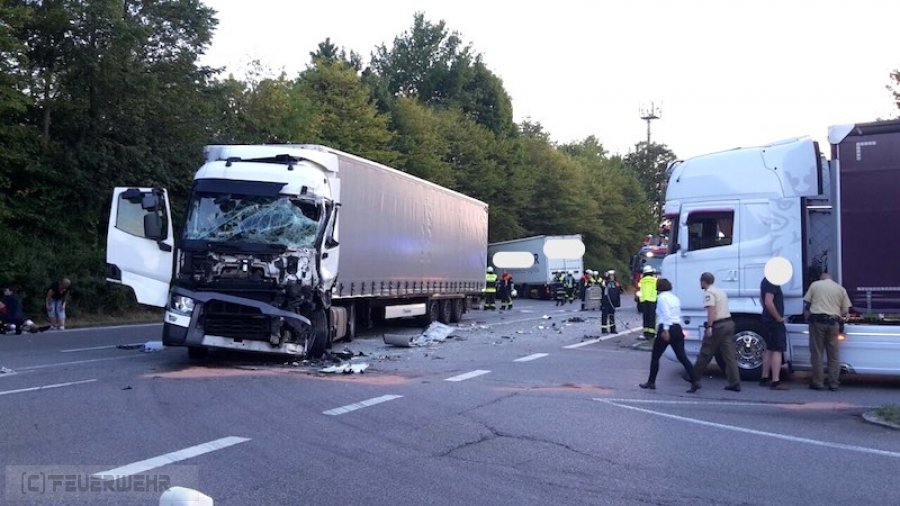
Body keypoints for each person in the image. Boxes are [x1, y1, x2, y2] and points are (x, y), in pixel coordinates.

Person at [640, 278, 700, 393]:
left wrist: (666, 330)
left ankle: (651, 382)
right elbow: (677, 313)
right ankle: (695, 380)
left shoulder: (662, 298)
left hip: (666, 327)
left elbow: (666, 314)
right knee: (682, 357)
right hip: (677, 327)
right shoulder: (675, 298)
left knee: (655, 356)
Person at [803, 272, 851, 391]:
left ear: (821, 278)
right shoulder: (840, 289)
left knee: (817, 353)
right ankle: (833, 383)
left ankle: (818, 382)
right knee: (833, 354)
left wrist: (807, 317)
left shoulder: (815, 285)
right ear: (831, 278)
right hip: (833, 323)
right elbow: (845, 310)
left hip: (817, 323)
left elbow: (807, 305)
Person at [693, 272, 741, 391]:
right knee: (729, 356)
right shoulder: (720, 291)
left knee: (705, 352)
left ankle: (693, 377)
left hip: (718, 326)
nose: (700, 283)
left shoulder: (708, 293)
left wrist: (709, 326)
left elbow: (712, 311)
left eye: (700, 281)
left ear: (703, 281)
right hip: (729, 323)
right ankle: (735, 382)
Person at [760, 275, 789, 390]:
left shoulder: (765, 280)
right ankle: (775, 380)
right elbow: (768, 301)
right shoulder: (772, 281)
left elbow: (762, 300)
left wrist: (766, 312)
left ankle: (764, 377)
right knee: (778, 349)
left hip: (767, 319)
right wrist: (778, 317)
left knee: (769, 349)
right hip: (774, 321)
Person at [638, 265, 658, 339]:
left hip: (644, 300)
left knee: (645, 317)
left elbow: (640, 290)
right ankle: (652, 334)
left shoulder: (642, 281)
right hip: (652, 300)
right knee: (652, 317)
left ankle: (645, 333)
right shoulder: (655, 280)